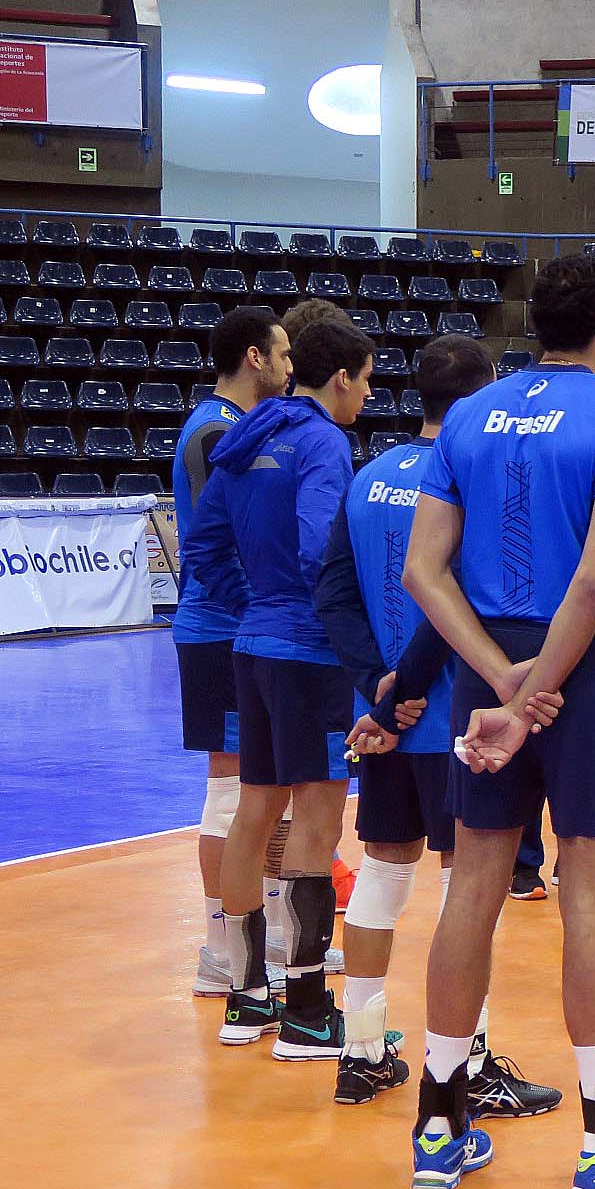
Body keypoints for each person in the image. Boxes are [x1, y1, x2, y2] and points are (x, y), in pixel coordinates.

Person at [402, 252, 595, 1189]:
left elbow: (423, 573)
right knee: (591, 906)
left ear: (535, 321)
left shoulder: (472, 416)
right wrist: (537, 696)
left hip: (488, 670)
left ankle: (438, 1128)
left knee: (471, 891)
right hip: (588, 677)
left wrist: (498, 683)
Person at [317, 333, 560, 1117]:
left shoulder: (368, 479)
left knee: (382, 873)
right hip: (457, 720)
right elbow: (445, 596)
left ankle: (360, 1052)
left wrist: (375, 693)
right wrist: (405, 696)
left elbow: (335, 596)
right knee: (468, 892)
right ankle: (472, 1064)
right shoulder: (470, 483)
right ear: (485, 393)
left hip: (384, 724)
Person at [180, 318, 375, 1059]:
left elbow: (201, 543)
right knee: (319, 821)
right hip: (309, 653)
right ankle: (305, 1012)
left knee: (254, 811)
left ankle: (246, 996)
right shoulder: (323, 441)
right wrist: (340, 629)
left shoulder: (246, 434)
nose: (366, 392)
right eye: (364, 378)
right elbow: (317, 541)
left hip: (252, 647)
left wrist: (252, 601)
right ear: (340, 379)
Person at [180, 307, 292, 999]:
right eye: (281, 355)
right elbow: (215, 545)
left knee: (265, 790)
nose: (288, 368)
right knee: (231, 790)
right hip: (221, 628)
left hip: (242, 626)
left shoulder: (237, 426)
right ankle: (222, 946)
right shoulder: (214, 432)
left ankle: (275, 936)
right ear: (254, 357)